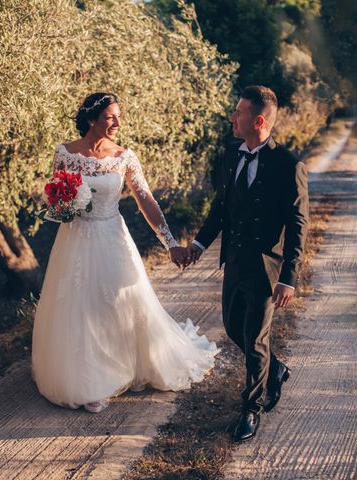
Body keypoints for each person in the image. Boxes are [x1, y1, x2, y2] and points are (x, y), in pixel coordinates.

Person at [32, 92, 218, 413]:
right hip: (75, 238)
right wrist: (63, 205)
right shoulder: (65, 153)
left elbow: (147, 201)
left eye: (119, 116)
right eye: (110, 117)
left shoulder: (124, 157)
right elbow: (55, 198)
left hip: (112, 236)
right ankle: (88, 379)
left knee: (118, 303)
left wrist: (170, 243)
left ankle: (124, 366)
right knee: (79, 306)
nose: (118, 122)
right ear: (92, 119)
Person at [186, 85, 309, 442]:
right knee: (231, 326)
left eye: (238, 112)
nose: (232, 118)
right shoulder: (229, 155)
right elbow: (219, 209)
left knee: (255, 340)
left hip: (266, 269)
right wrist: (198, 243)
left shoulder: (289, 165)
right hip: (235, 261)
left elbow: (299, 225)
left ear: (257, 120)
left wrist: (289, 277)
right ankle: (276, 371)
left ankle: (250, 410)